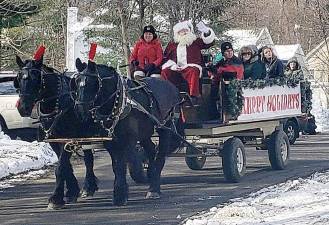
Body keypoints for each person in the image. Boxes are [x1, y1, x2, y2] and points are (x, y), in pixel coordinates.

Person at [161, 20, 215, 100]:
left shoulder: (195, 42)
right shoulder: (172, 45)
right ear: (177, 34)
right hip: (176, 69)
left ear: (189, 31)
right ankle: (169, 95)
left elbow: (208, 43)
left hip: (190, 68)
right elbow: (166, 58)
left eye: (186, 30)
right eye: (181, 31)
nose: (184, 33)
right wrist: (172, 66)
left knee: (194, 71)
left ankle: (193, 96)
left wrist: (206, 32)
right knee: (165, 72)